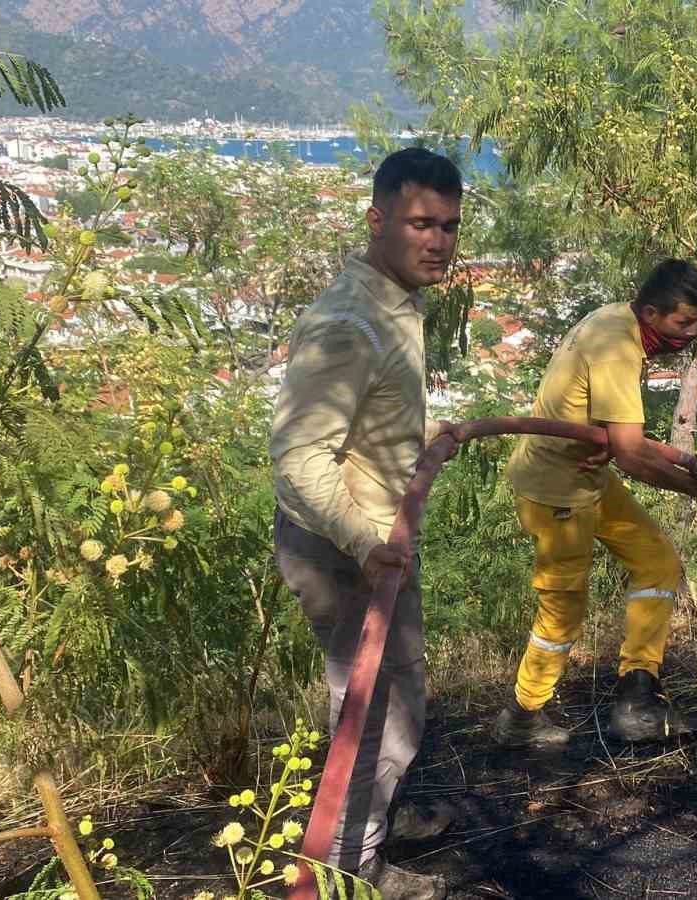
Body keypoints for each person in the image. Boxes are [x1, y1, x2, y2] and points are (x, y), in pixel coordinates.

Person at [271, 147, 464, 899]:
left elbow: (362, 431)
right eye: (421, 223)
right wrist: (367, 542)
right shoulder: (350, 322)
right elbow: (298, 458)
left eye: (449, 226)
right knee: (378, 712)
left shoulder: (393, 303)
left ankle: (368, 824)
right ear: (377, 220)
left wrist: (421, 448)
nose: (438, 241)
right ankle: (352, 869)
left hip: (370, 541)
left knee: (385, 699)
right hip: (344, 550)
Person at [492, 259, 697, 749]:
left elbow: (616, 434)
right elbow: (632, 455)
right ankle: (521, 717)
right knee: (562, 613)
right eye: (683, 323)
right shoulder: (617, 348)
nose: (691, 333)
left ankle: (637, 700)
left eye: (696, 323)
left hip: (586, 476)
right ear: (651, 312)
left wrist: (613, 439)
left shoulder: (614, 318)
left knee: (657, 561)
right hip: (556, 491)